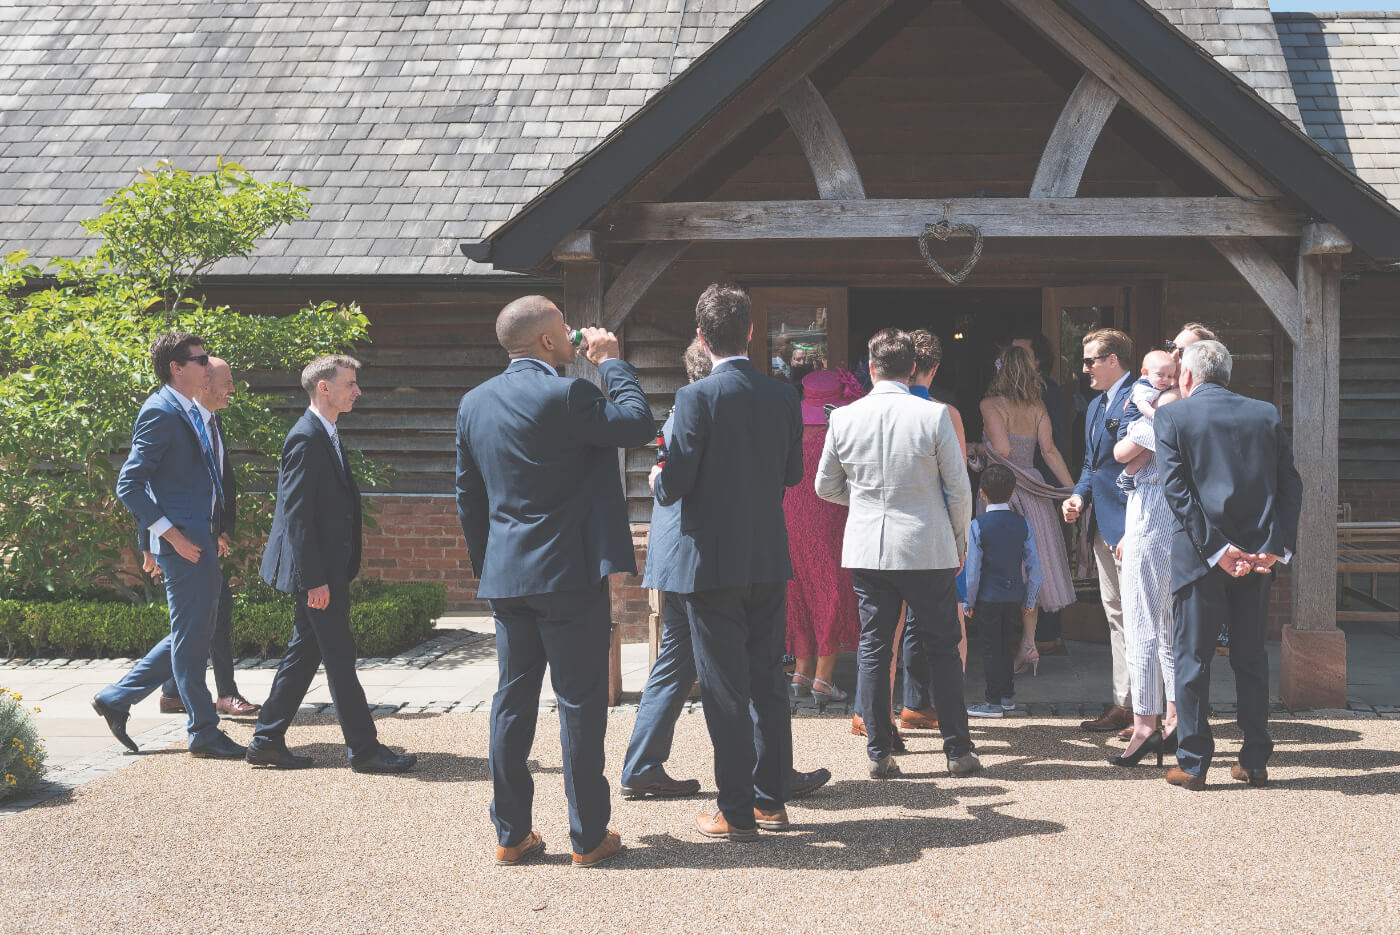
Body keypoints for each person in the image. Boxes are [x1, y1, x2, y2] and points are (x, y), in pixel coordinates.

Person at [456, 296, 652, 866]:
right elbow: (638, 424)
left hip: (507, 576)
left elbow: (469, 497)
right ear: (546, 342)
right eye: (564, 329)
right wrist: (611, 361)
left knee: (511, 704)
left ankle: (511, 834)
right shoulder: (571, 392)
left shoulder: (473, 403)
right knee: (580, 704)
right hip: (568, 575)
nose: (572, 335)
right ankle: (588, 838)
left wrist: (487, 565)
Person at [622, 339, 831, 803]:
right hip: (703, 555)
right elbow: (679, 482)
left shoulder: (690, 409)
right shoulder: (704, 410)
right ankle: (767, 777)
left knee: (676, 663)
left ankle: (643, 764)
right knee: (751, 671)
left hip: (680, 553)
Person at [650, 283, 804, 842]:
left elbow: (677, 482)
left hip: (710, 561)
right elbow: (790, 476)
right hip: (766, 553)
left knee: (723, 689)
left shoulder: (695, 398)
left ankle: (736, 810)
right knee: (767, 681)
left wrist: (657, 480)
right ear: (752, 332)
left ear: (700, 336)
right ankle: (770, 802)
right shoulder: (784, 396)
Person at [816, 328, 977, 779]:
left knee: (873, 648)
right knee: (942, 647)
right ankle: (957, 750)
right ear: (912, 369)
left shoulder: (845, 418)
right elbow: (958, 489)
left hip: (869, 546)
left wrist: (868, 500)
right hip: (926, 544)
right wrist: (960, 540)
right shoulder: (933, 415)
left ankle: (878, 751)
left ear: (870, 368)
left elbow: (824, 487)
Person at [248, 356, 417, 776]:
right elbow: (297, 519)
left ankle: (267, 740)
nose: (357, 391)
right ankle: (364, 750)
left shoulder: (326, 433)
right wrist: (315, 581)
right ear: (323, 387)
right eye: (350, 383)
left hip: (328, 569)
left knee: (304, 654)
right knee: (339, 658)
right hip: (319, 573)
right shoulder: (305, 438)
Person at [1155, 341, 1300, 789]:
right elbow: (1290, 485)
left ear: (1188, 378)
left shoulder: (1173, 415)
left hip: (1201, 557)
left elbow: (1177, 492)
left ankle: (1194, 764)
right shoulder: (1265, 414)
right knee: (1251, 658)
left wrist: (1217, 549)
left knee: (1192, 658)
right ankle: (1255, 759)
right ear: (1227, 373)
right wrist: (1277, 546)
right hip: (1257, 556)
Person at [94, 333, 245, 760]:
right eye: (199, 360)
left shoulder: (188, 411)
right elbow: (130, 484)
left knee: (194, 630)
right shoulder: (161, 412)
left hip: (199, 538)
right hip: (183, 544)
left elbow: (187, 482)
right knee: (194, 637)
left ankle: (117, 697)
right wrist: (171, 536)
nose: (207, 367)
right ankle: (203, 731)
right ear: (177, 368)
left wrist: (212, 528)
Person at [148, 357, 259, 719]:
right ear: (205, 382)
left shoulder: (212, 421)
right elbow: (146, 485)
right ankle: (222, 695)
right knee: (209, 614)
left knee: (203, 616)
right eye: (227, 381)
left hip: (204, 535)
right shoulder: (178, 420)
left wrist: (222, 530)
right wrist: (147, 545)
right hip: (179, 539)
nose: (232, 388)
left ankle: (172, 692)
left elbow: (222, 481)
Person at [979, 345, 1077, 677]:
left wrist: (979, 448)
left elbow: (1002, 449)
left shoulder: (991, 404)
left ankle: (999, 645)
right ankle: (1030, 643)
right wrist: (1071, 489)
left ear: (1000, 371)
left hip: (1003, 491)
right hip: (1034, 491)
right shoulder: (1037, 406)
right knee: (1033, 570)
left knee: (1003, 570)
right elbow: (1049, 451)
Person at [1061, 328, 1138, 734]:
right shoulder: (1094, 406)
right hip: (1100, 524)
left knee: (1141, 619)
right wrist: (1078, 497)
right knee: (1116, 616)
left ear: (1113, 361)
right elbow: (1093, 465)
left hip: (1134, 526)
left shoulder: (1141, 398)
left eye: (1091, 360)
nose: (1084, 368)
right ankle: (1123, 704)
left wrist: (1133, 527)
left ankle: (1147, 711)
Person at [1108, 383, 1182, 767]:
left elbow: (1120, 452)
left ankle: (1145, 726)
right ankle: (1174, 721)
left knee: (1141, 625)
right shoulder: (1180, 410)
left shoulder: (1165, 410)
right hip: (1163, 520)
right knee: (1167, 627)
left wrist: (1143, 409)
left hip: (1154, 519)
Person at [785, 368, 863, 707]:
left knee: (799, 589)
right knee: (831, 588)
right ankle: (824, 678)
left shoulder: (789, 424)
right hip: (832, 513)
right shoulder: (844, 425)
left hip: (790, 513)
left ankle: (802, 671)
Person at [1166, 322, 1231, 656]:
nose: (1174, 356)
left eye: (1182, 350)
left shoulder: (1218, 406)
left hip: (1204, 525)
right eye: (1172, 347)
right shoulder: (1159, 396)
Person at [962, 465, 1041, 718]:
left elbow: (972, 570)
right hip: (1014, 595)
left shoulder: (978, 525)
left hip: (987, 596)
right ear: (1013, 492)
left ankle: (992, 701)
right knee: (1008, 646)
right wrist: (1030, 598)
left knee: (990, 649)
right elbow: (1034, 567)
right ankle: (1007, 696)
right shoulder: (1023, 524)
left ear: (982, 494)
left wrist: (968, 601)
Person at [1010, 330, 1070, 658]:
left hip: (1036, 484)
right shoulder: (1006, 396)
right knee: (1028, 561)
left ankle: (1046, 634)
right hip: (1024, 483)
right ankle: (1035, 636)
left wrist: (1057, 488)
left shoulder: (1046, 391)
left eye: (1022, 354)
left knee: (1039, 559)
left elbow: (1052, 445)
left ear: (1038, 360)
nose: (1014, 362)